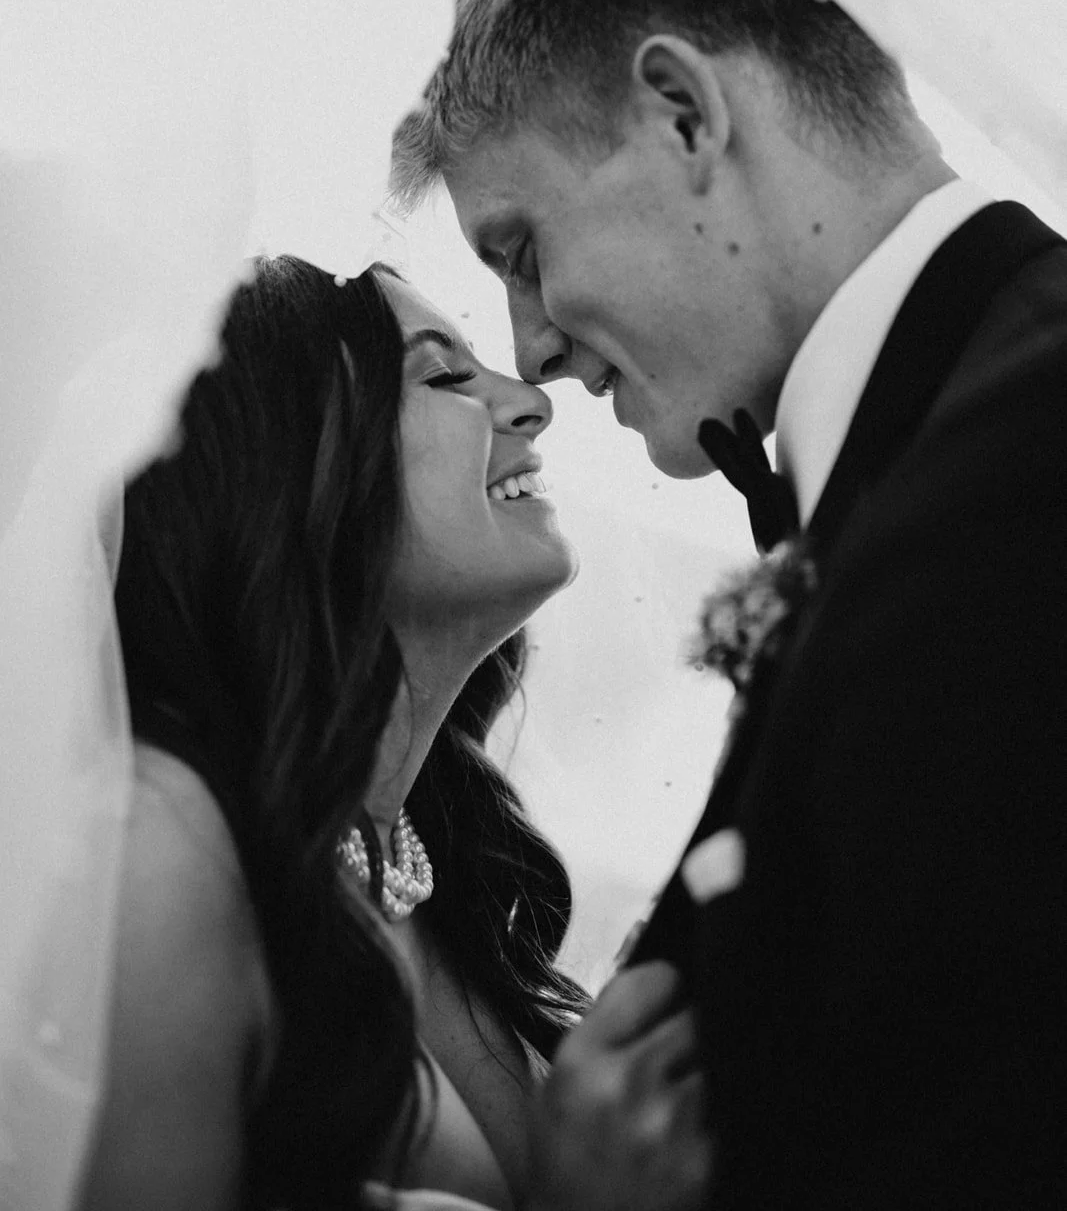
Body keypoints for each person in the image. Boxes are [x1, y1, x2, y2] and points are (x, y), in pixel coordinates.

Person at [390, 0, 1067, 1208]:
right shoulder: (950, 436)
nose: (534, 354)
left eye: (520, 251)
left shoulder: (1018, 481)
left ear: (683, 116)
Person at [82, 254, 712, 1211]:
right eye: (445, 376)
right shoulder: (164, 850)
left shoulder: (440, 873)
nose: (530, 402)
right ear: (288, 466)